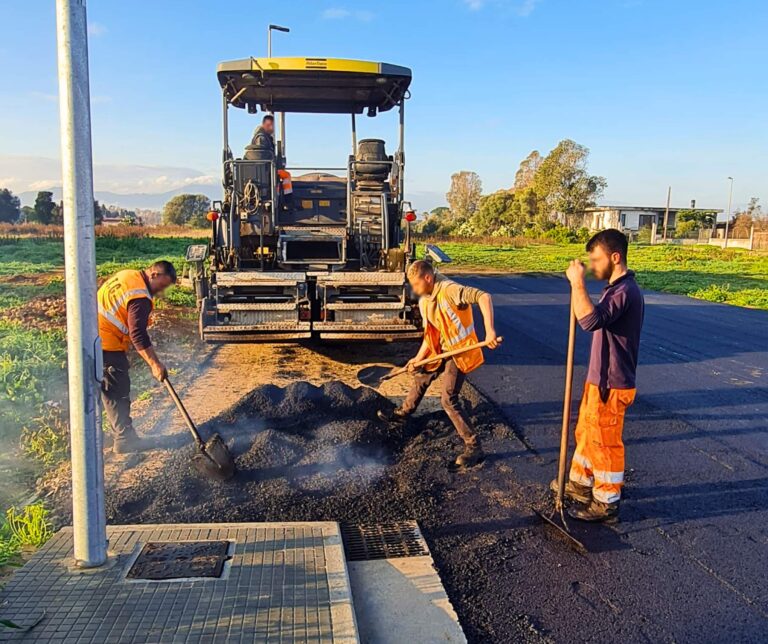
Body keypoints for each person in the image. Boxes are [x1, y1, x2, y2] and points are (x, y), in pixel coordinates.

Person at [553, 229, 645, 521]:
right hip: (599, 379)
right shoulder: (614, 289)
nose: (592, 266)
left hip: (612, 382)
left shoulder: (624, 292)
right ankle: (580, 483)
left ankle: (607, 501)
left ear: (615, 258)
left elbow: (589, 320)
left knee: (604, 440)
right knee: (587, 432)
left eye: (596, 259)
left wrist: (577, 283)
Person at [378, 260, 500, 468]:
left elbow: (484, 296)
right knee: (422, 375)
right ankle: (402, 415)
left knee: (448, 399)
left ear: (428, 278)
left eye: (416, 285)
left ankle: (474, 447)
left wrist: (490, 332)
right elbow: (430, 335)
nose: (414, 290)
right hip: (441, 348)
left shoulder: (450, 290)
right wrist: (417, 359)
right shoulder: (425, 300)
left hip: (459, 351)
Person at [98, 261, 177, 453]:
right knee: (117, 389)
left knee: (105, 390)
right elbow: (138, 334)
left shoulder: (128, 276)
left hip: (92, 337)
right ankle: (125, 439)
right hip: (106, 341)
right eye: (162, 285)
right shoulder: (140, 297)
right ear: (154, 275)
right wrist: (155, 364)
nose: (162, 291)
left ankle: (108, 435)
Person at [245, 114, 293, 207]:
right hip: (267, 170)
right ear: (263, 125)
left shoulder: (259, 137)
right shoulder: (262, 138)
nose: (271, 128)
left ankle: (278, 197)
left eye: (272, 125)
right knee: (286, 175)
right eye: (269, 125)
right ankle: (288, 200)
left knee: (276, 179)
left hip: (261, 171)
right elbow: (262, 155)